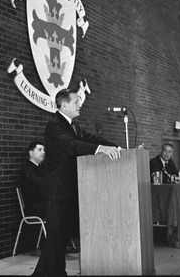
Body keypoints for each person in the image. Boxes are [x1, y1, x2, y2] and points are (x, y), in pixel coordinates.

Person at [31, 88, 121, 277]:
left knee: (60, 236)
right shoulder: (55, 125)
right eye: (76, 101)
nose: (80, 104)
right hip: (57, 190)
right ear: (64, 105)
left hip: (68, 189)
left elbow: (89, 138)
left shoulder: (73, 125)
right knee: (56, 236)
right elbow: (73, 146)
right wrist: (100, 149)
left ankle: (42, 273)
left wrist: (113, 146)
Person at [20, 140, 46, 218]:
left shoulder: (43, 168)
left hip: (43, 204)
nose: (43, 152)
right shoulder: (27, 169)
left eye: (44, 150)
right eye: (39, 150)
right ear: (31, 153)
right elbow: (41, 183)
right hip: (34, 207)